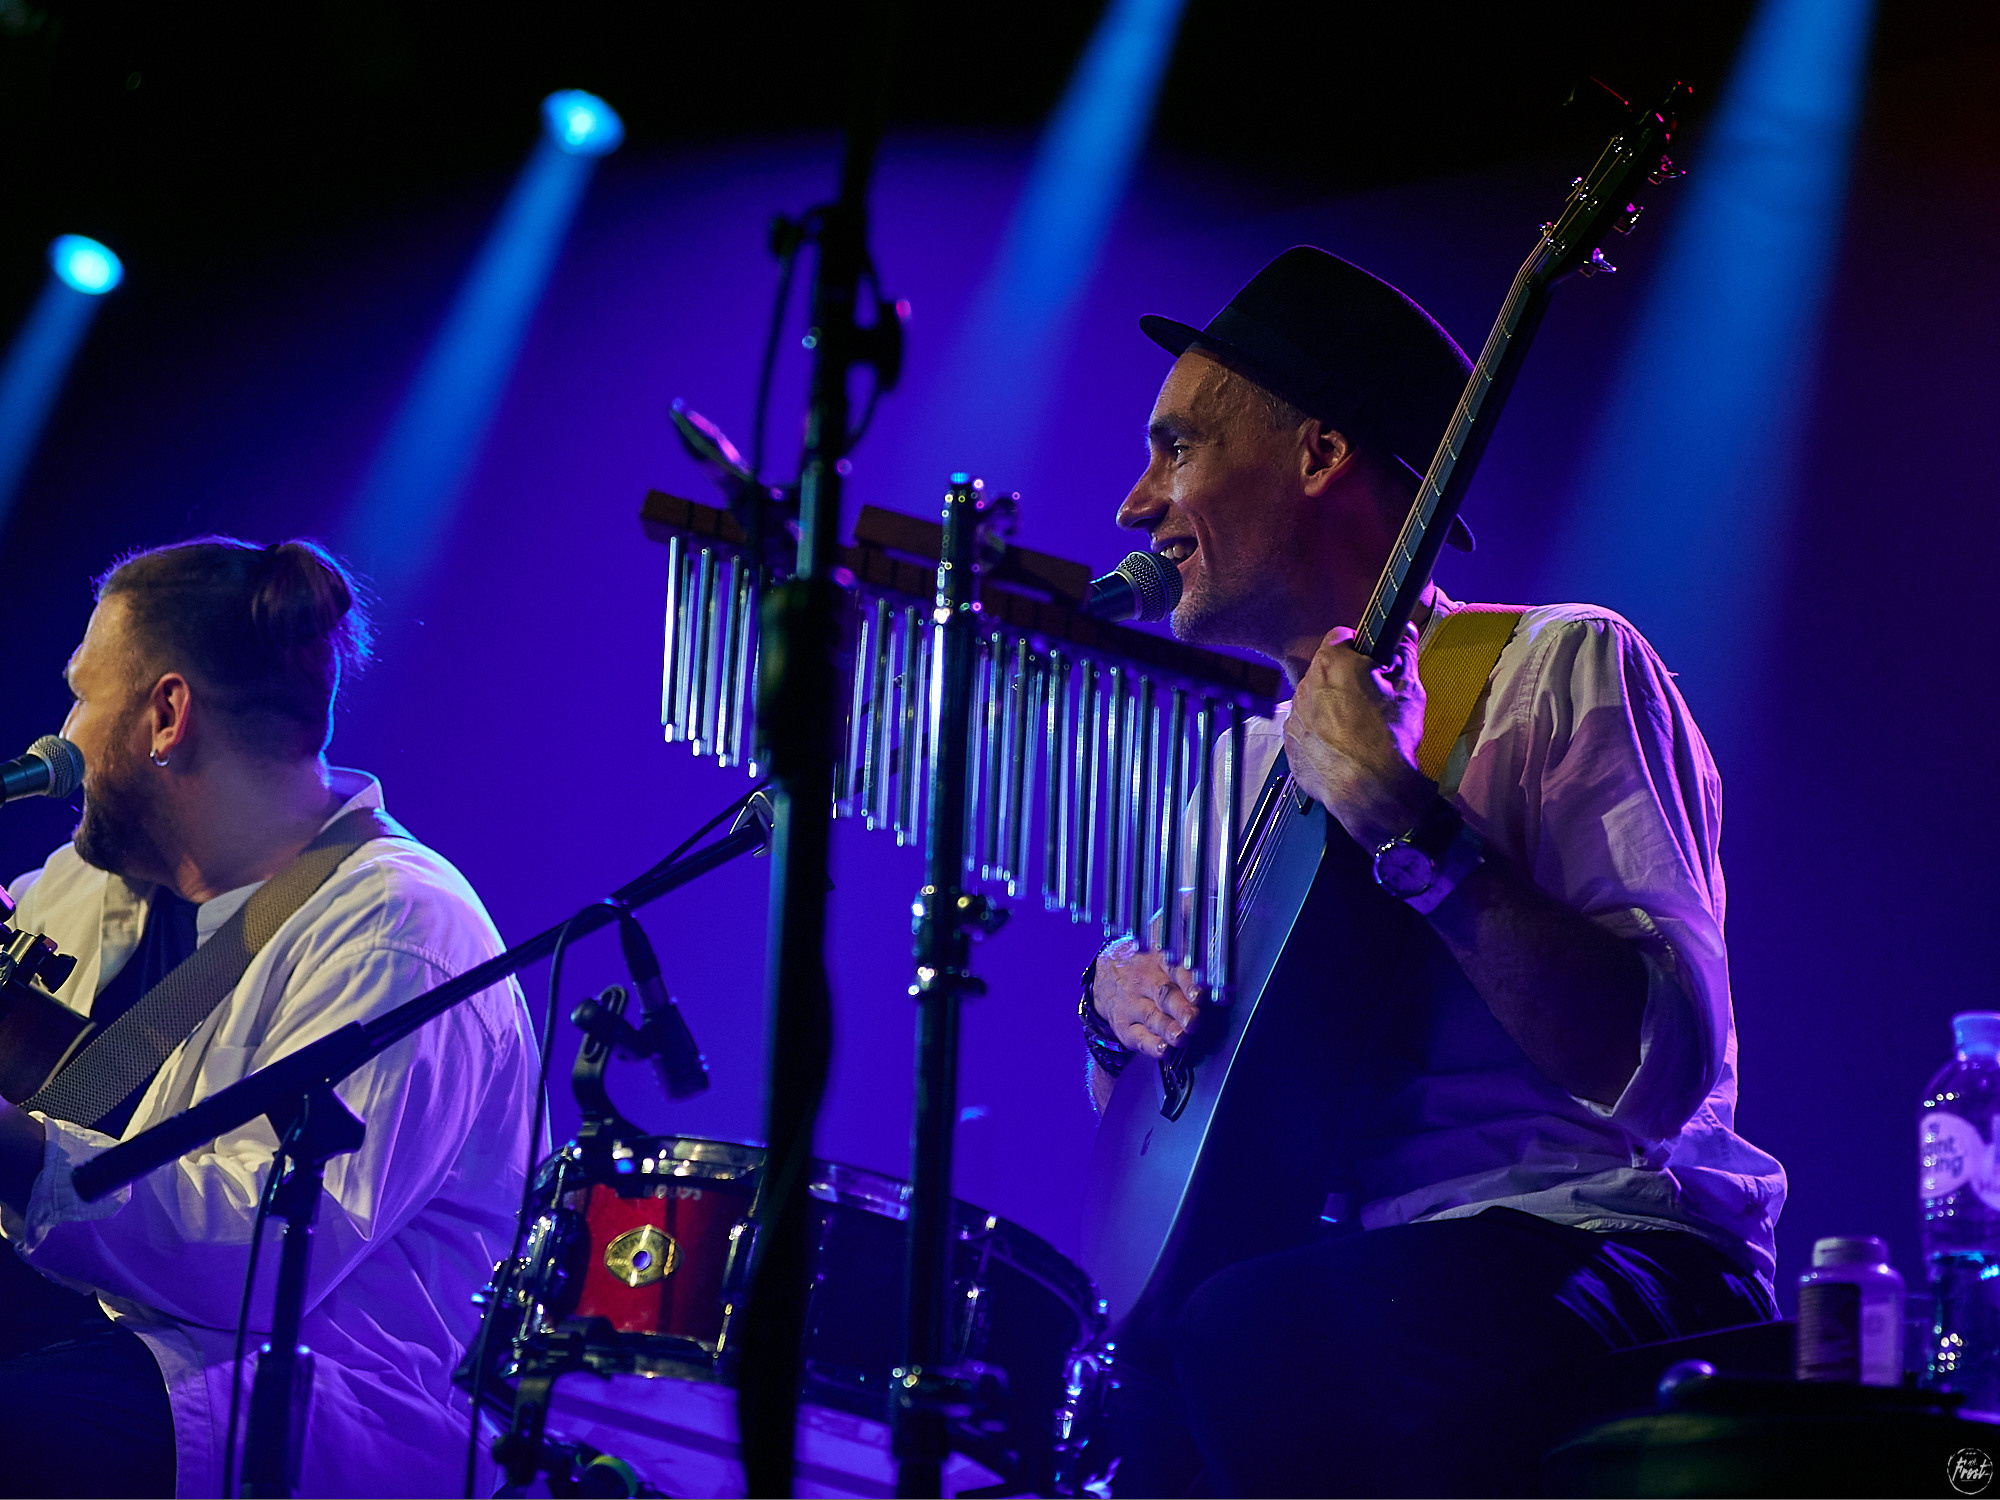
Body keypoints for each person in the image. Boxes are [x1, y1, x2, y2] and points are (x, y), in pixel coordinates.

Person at [1081, 248, 1788, 1496]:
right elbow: (1182, 1119)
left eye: (1176, 447)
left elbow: (1659, 1068)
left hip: (1603, 1239)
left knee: (1258, 1336)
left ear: (1317, 456)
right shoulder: (1238, 766)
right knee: (1128, 1377)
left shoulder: (1553, 668)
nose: (1135, 502)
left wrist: (1406, 824)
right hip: (1351, 1264)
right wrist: (1111, 1010)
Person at [0, 538, 537, 1497]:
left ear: (166, 714)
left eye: (84, 695)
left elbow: (255, 1256)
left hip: (271, 1395)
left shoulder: (401, 930)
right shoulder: (90, 881)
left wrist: (13, 1151)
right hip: (78, 1330)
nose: (62, 731)